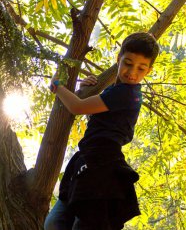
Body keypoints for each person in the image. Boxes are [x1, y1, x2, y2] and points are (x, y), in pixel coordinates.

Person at [45, 32, 159, 230]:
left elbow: (78, 107)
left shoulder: (127, 93)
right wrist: (84, 87)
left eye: (141, 68)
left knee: (85, 223)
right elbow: (91, 113)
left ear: (148, 71)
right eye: (128, 63)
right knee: (55, 223)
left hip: (103, 165)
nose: (133, 72)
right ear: (118, 59)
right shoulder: (114, 92)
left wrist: (57, 86)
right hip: (87, 161)